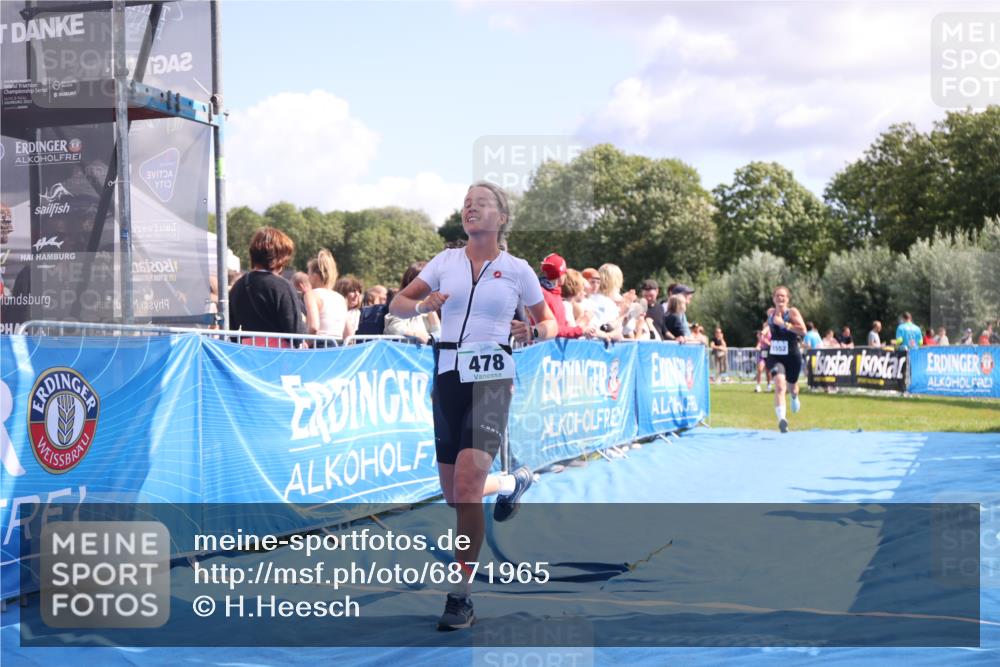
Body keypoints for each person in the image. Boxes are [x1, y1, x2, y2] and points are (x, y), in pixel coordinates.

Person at [388, 182, 557, 632]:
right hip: (447, 379)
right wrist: (422, 303)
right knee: (455, 495)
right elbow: (397, 304)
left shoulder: (517, 270)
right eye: (466, 204)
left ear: (501, 217)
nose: (470, 209)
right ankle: (510, 481)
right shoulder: (444, 262)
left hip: (492, 380)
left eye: (480, 203)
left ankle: (461, 596)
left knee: (465, 485)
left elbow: (551, 322)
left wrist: (532, 332)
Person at [228, 227, 305, 347]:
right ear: (280, 257)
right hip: (279, 356)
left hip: (249, 355)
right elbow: (295, 332)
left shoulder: (238, 286)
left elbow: (231, 329)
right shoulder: (283, 286)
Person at [765, 286, 807, 433]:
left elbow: (803, 330)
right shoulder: (770, 313)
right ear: (773, 298)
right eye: (777, 296)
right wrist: (766, 330)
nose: (780, 298)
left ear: (787, 299)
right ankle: (782, 420)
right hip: (775, 355)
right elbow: (769, 325)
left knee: (792, 387)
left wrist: (784, 324)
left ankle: (794, 397)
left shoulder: (792, 312)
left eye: (783, 296)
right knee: (780, 385)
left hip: (792, 355)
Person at [531, 253, 589, 338]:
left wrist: (579, 328)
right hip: (546, 349)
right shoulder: (543, 294)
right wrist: (579, 329)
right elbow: (550, 329)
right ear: (560, 274)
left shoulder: (556, 293)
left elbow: (562, 325)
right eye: (565, 272)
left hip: (555, 347)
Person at [383, 261, 439, 343]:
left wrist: (431, 311)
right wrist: (415, 334)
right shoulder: (401, 305)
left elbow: (437, 334)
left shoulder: (428, 310)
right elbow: (394, 328)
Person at [306, 249, 349, 344]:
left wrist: (304, 344)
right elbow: (349, 332)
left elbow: (313, 326)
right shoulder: (340, 298)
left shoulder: (311, 295)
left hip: (319, 346)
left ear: (315, 276)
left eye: (308, 273)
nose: (307, 277)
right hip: (338, 347)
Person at [335, 275, 364, 339]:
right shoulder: (332, 311)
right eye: (352, 291)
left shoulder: (357, 313)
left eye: (359, 291)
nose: (357, 294)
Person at [754, 321, 772, 392]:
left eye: (765, 326)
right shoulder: (761, 334)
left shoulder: (772, 333)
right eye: (763, 326)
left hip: (769, 352)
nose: (764, 327)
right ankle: (758, 386)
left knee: (768, 371)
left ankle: (769, 385)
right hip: (762, 352)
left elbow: (771, 343)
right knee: (760, 369)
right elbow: (760, 342)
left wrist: (768, 342)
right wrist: (757, 347)